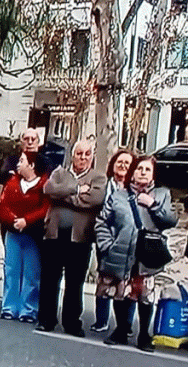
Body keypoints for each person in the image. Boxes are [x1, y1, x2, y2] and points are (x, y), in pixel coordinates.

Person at [95, 155, 176, 352]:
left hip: (147, 253)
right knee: (121, 291)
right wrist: (107, 244)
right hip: (122, 250)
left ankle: (143, 335)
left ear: (153, 175)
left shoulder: (162, 194)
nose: (142, 172)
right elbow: (102, 222)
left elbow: (170, 220)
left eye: (147, 170)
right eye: (139, 168)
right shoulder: (119, 195)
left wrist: (152, 204)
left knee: (144, 294)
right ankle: (121, 329)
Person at [38, 140, 105, 336]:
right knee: (50, 280)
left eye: (87, 154)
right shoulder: (59, 172)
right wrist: (77, 190)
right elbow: (49, 189)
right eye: (79, 153)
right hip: (54, 235)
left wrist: (64, 194)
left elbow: (94, 199)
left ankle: (72, 323)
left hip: (80, 238)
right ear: (72, 155)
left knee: (75, 283)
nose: (82, 157)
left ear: (92, 156)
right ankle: (46, 320)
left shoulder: (98, 177)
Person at [0, 151, 49, 323]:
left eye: (22, 161)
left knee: (31, 273)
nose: (18, 164)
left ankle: (29, 308)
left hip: (33, 234)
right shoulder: (12, 183)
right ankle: (9, 307)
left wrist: (27, 221)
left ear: (32, 165)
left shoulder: (44, 184)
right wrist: (13, 220)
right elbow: (3, 204)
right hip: (13, 232)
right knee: (11, 270)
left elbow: (45, 208)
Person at [91, 148, 134, 333]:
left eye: (127, 163)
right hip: (106, 240)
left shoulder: (135, 190)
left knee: (127, 283)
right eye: (120, 162)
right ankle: (101, 321)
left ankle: (126, 325)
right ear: (113, 165)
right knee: (104, 279)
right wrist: (104, 240)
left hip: (128, 243)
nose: (123, 166)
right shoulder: (105, 186)